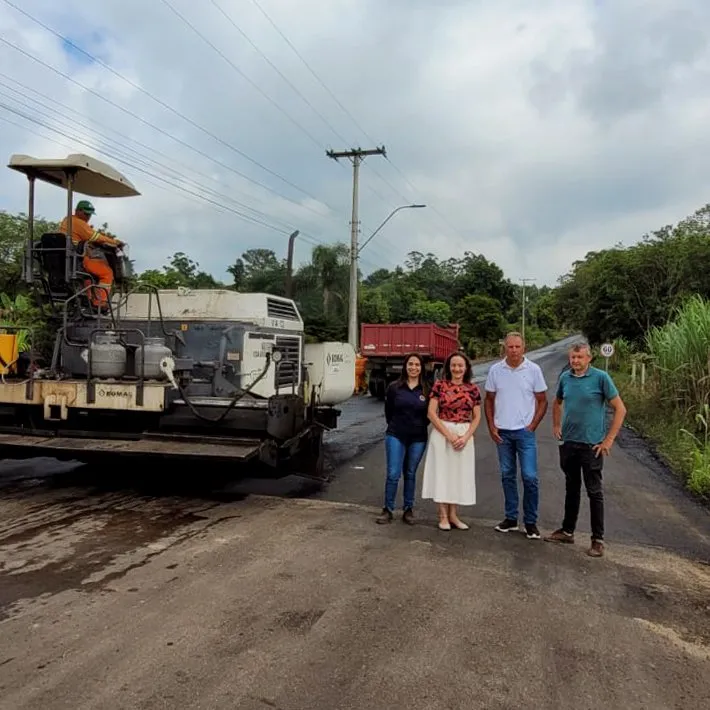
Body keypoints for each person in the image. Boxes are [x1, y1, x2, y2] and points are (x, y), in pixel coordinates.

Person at [544, 341, 627, 558]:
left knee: (594, 492)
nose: (576, 361)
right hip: (569, 443)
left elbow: (620, 409)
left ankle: (597, 539)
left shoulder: (601, 378)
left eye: (580, 357)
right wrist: (555, 425)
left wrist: (608, 440)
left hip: (592, 446)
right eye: (573, 357)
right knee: (571, 489)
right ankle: (567, 531)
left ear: (589, 358)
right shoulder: (565, 378)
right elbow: (557, 402)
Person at [484, 332, 548, 539]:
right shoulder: (495, 370)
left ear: (524, 348)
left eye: (517, 347)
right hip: (503, 432)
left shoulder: (533, 370)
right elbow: (489, 399)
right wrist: (491, 426)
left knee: (530, 477)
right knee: (507, 475)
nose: (513, 350)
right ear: (505, 348)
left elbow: (542, 400)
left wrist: (533, 425)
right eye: (510, 347)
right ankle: (511, 518)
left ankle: (530, 522)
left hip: (524, 432)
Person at [421, 351, 482, 531]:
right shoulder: (439, 386)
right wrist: (449, 435)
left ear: (466, 368)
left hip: (464, 432)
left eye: (460, 365)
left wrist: (466, 436)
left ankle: (454, 515)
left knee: (458, 474)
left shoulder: (473, 389)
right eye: (453, 365)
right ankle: (442, 515)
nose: (457, 369)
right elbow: (431, 413)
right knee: (442, 473)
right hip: (442, 432)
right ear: (448, 367)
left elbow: (477, 417)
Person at [376, 353, 430, 525]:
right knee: (393, 473)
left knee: (410, 473)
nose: (413, 368)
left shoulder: (427, 388)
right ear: (405, 366)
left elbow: (429, 415)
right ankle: (388, 509)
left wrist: (418, 426)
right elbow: (388, 411)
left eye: (417, 365)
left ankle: (408, 509)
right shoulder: (394, 387)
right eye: (410, 364)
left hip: (418, 437)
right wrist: (395, 425)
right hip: (396, 434)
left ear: (422, 368)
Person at [59, 200, 125, 309]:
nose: (88, 216)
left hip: (67, 259)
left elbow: (87, 234)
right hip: (77, 259)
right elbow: (95, 237)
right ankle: (99, 302)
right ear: (78, 211)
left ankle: (88, 299)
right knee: (106, 272)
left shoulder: (68, 220)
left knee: (89, 274)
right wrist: (115, 242)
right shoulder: (78, 223)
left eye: (89, 214)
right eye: (86, 213)